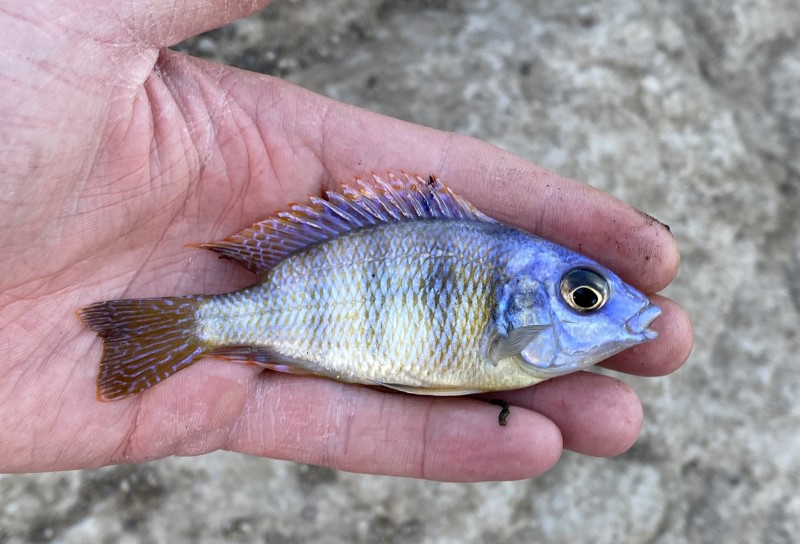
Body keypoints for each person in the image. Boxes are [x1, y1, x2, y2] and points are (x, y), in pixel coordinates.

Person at [0, 0, 692, 481]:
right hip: (304, 311)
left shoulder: (522, 337)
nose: (616, 311)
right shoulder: (510, 325)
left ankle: (190, 329)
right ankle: (191, 327)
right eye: (584, 294)